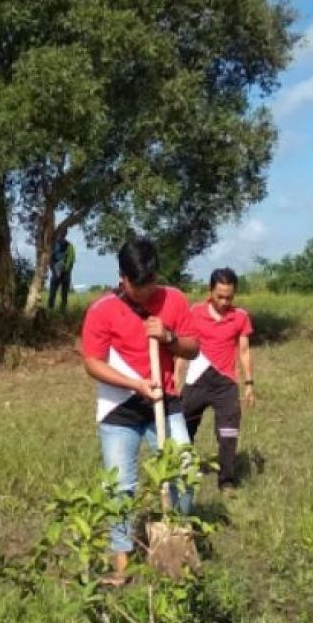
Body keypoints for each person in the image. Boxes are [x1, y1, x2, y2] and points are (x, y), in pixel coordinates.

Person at [80, 238, 199, 584]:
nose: (146, 293)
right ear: (122, 279)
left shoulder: (174, 299)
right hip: (119, 411)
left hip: (164, 402)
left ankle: (177, 543)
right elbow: (92, 363)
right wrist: (135, 385)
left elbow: (192, 348)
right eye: (138, 287)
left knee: (184, 472)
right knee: (121, 488)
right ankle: (122, 565)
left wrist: (169, 337)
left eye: (151, 284)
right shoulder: (102, 310)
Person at [175, 268, 256, 494]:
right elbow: (183, 347)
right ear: (210, 291)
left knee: (228, 432)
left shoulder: (240, 316)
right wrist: (176, 376)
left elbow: (244, 351)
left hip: (225, 382)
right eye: (219, 296)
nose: (224, 301)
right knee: (184, 428)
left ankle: (227, 481)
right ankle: (182, 472)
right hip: (197, 379)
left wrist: (249, 384)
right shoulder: (195, 312)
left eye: (229, 297)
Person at [48, 233, 75, 312]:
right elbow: (50, 259)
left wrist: (65, 269)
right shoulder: (53, 246)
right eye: (60, 234)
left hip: (66, 273)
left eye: (62, 234)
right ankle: (50, 309)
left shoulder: (70, 246)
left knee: (64, 294)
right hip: (56, 271)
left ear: (65, 234)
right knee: (52, 293)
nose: (60, 236)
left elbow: (71, 260)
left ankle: (62, 310)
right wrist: (54, 270)